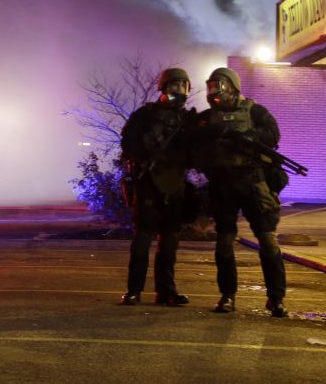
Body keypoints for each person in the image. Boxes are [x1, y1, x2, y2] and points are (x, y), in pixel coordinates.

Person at [192, 67, 288, 317]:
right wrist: (209, 136)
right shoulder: (206, 118)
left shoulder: (255, 111)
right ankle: (227, 295)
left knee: (268, 240)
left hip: (253, 183)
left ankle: (276, 299)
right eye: (211, 86)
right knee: (224, 242)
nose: (214, 92)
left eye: (219, 86)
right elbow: (191, 144)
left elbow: (272, 135)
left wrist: (247, 136)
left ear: (232, 88)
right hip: (222, 185)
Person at [119, 68, 194, 307]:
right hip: (148, 182)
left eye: (183, 86)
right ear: (163, 88)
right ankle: (134, 290)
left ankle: (167, 291)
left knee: (170, 240)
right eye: (174, 86)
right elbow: (128, 143)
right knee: (143, 237)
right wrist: (145, 157)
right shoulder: (145, 115)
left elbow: (197, 151)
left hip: (174, 183)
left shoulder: (188, 120)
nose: (178, 91)